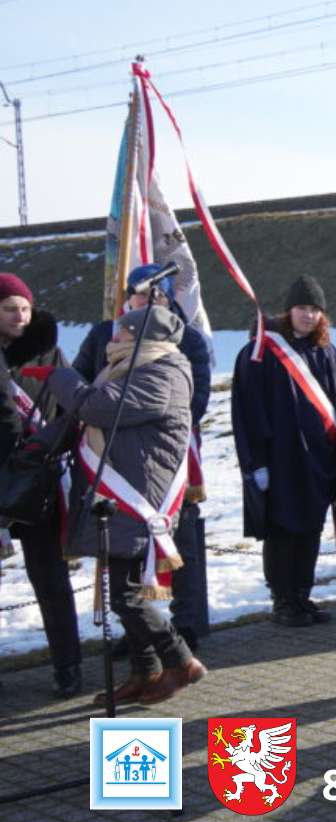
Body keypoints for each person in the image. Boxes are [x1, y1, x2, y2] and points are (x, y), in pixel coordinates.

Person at [45, 306, 205, 705]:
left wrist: (61, 376)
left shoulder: (162, 373)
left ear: (140, 338)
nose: (111, 341)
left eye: (121, 335)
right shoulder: (135, 368)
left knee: (127, 596)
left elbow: (98, 407)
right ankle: (145, 671)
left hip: (138, 497)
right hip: (122, 494)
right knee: (124, 590)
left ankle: (181, 661)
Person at [74, 262, 212, 652]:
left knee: (177, 542)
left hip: (168, 455)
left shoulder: (189, 339)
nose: (148, 300)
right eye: (140, 293)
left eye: (158, 294)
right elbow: (85, 378)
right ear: (128, 297)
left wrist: (148, 423)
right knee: (123, 549)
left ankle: (184, 624)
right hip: (114, 458)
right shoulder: (105, 334)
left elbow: (195, 397)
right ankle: (139, 632)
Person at [232, 275, 336, 627]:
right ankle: (283, 600)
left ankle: (302, 595)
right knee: (283, 532)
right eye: (302, 308)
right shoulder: (260, 352)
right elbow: (247, 412)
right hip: (280, 461)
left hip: (317, 461)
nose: (308, 316)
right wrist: (256, 463)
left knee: (310, 529)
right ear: (288, 311)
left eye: (315, 309)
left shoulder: (324, 352)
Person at [0, 273, 80, 696]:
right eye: (10, 308)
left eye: (24, 308)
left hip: (36, 480)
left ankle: (68, 665)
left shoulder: (49, 352)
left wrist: (43, 448)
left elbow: (73, 406)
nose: (19, 316)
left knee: (49, 578)